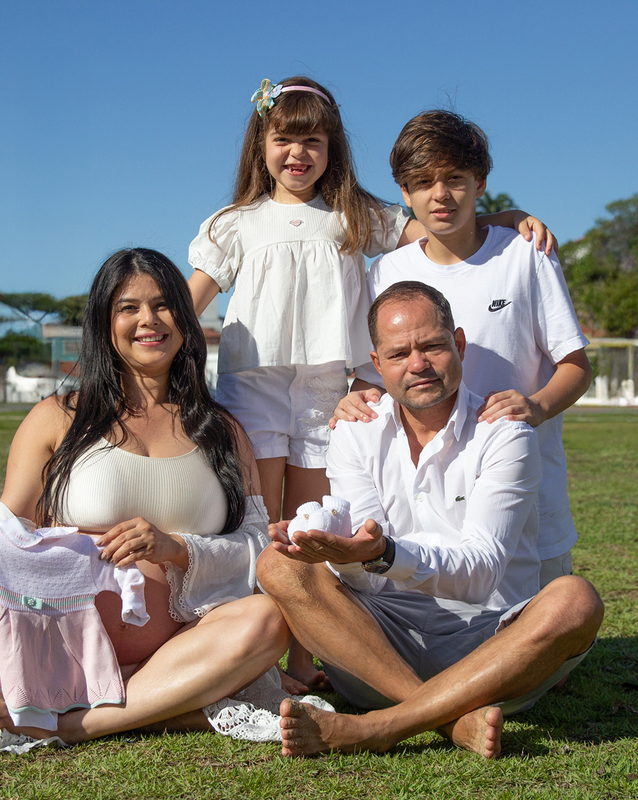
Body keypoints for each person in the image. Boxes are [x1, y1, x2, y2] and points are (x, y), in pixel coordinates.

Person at [186, 76, 555, 690]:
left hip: (329, 393)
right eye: (283, 140)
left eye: (314, 140)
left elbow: (437, 225)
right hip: (253, 388)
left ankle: (305, 663)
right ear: (260, 146)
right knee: (257, 525)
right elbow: (186, 304)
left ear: (333, 149)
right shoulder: (235, 223)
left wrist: (506, 219)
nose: (298, 153)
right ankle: (256, 663)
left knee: (314, 523)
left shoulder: (355, 214)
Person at [0, 248, 293, 747]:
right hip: (56, 643)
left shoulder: (222, 431)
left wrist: (176, 548)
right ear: (104, 324)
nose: (148, 320)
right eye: (128, 308)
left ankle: (74, 721)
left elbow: (260, 549)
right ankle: (167, 703)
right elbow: (5, 530)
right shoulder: (57, 417)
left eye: (163, 305)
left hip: (179, 646)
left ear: (186, 318)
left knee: (267, 621)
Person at [257, 281, 604, 758]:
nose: (417, 364)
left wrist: (385, 553)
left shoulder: (505, 433)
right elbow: (367, 578)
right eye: (399, 354)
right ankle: (445, 720)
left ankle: (381, 726)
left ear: (459, 344)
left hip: (491, 646)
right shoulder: (355, 432)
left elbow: (482, 573)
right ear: (377, 364)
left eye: (433, 346)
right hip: (380, 647)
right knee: (277, 564)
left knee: (575, 600)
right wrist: (339, 552)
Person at [334, 110, 593, 587]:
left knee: (556, 609)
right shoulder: (386, 272)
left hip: (526, 499)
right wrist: (354, 398)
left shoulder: (525, 254)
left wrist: (536, 407)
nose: (440, 194)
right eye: (423, 182)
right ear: (403, 191)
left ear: (480, 182)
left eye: (455, 178)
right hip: (425, 510)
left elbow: (576, 365)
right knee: (430, 595)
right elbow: (375, 377)